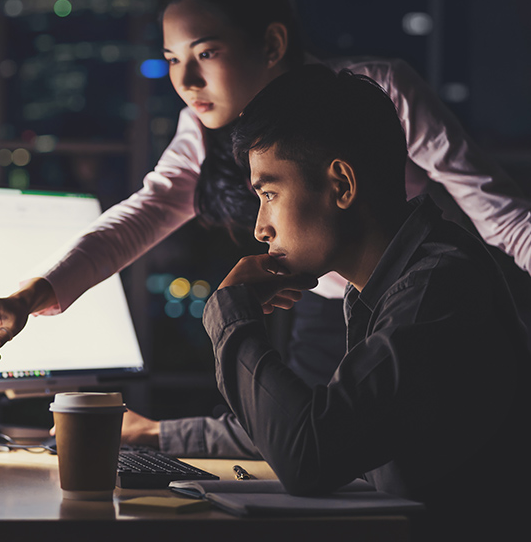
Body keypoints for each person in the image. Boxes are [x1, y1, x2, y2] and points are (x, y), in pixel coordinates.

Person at [0, 0, 531, 453]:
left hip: (420, 303)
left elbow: (502, 217)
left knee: (341, 451)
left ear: (272, 43)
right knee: (301, 442)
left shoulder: (379, 93)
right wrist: (31, 296)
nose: (186, 82)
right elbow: (146, 211)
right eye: (171, 60)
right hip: (325, 314)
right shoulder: (207, 126)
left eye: (206, 53)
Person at [203, 63, 531, 537]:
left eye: (269, 193)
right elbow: (322, 427)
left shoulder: (436, 290)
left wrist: (232, 314)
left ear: (341, 185)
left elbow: (307, 455)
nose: (260, 227)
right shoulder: (388, 288)